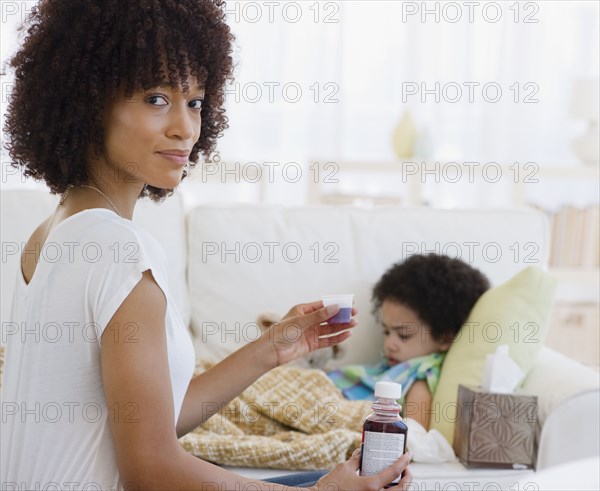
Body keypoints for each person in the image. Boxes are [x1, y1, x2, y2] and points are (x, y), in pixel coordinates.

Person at [0, 1, 413, 490]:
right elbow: (151, 470)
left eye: (195, 102)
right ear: (86, 103)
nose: (185, 127)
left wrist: (271, 349)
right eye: (157, 98)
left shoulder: (51, 236)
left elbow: (153, 422)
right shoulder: (118, 250)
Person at [328, 254, 490, 430]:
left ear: (445, 337)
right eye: (386, 331)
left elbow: (414, 437)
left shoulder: (419, 380)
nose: (389, 344)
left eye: (403, 335)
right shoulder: (397, 365)